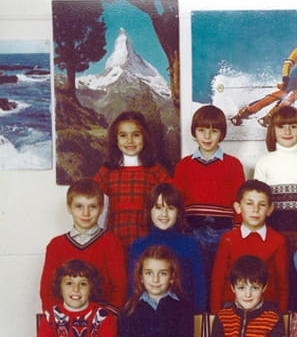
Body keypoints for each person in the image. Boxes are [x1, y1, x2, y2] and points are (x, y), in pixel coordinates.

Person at [172, 105, 246, 281]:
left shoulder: (233, 165)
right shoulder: (183, 165)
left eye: (213, 131)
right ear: (194, 132)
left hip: (223, 232)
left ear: (221, 134)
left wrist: (237, 230)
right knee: (193, 279)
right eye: (202, 130)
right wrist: (179, 229)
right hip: (191, 231)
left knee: (221, 279)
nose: (207, 136)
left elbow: (240, 202)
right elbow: (177, 202)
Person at [39, 179, 127, 312]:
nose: (86, 213)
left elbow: (120, 286)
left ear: (101, 208)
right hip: (65, 316)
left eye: (92, 207)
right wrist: (57, 317)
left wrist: (107, 316)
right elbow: (47, 289)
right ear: (69, 208)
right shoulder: (56, 245)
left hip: (102, 315)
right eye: (79, 206)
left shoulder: (111, 242)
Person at [93, 111, 170, 250]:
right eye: (123, 135)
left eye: (136, 135)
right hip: (114, 242)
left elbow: (170, 205)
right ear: (115, 139)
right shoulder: (107, 171)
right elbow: (99, 209)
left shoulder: (156, 171)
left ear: (145, 137)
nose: (130, 141)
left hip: (148, 244)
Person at [210, 180, 288, 313]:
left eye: (262, 205)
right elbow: (218, 281)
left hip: (267, 307)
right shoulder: (228, 239)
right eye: (249, 203)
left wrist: (282, 314)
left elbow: (282, 283)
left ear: (270, 209)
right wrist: (215, 314)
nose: (255, 210)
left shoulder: (278, 240)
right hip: (231, 305)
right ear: (238, 207)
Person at [253, 106, 297, 252]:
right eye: (281, 127)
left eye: (293, 126)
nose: (287, 132)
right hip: (272, 230)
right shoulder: (264, 162)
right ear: (273, 130)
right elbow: (258, 201)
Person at [129, 183, 206, 312]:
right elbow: (132, 289)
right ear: (149, 211)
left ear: (178, 213)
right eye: (158, 207)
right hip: (145, 314)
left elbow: (200, 289)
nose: (164, 214)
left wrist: (196, 316)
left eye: (170, 208)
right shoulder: (138, 246)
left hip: (182, 315)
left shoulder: (190, 245)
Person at [230, 36, 297, 127]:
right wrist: (285, 77)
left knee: (292, 95)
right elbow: (289, 62)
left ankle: (271, 115)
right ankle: (245, 112)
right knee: (283, 92)